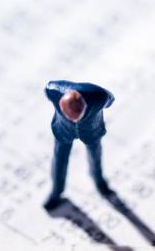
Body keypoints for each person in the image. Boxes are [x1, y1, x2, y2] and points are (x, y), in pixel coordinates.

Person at [43, 80, 115, 210]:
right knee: (59, 160)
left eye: (77, 116)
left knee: (95, 156)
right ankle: (56, 191)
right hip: (63, 131)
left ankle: (99, 182)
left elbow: (110, 100)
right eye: (69, 116)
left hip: (91, 131)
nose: (75, 120)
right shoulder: (53, 91)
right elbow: (46, 89)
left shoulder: (99, 96)